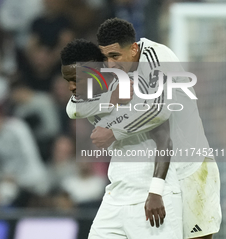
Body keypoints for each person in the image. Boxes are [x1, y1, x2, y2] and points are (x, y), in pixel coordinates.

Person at [74, 18, 221, 239]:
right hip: (159, 171)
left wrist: (113, 132)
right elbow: (73, 106)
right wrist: (109, 97)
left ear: (134, 49)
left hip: (191, 166)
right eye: (105, 57)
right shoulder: (114, 70)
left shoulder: (157, 57)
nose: (110, 64)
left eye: (115, 56)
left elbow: (160, 110)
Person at [61, 39, 182, 239]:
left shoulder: (138, 85)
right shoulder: (86, 98)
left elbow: (164, 138)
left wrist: (156, 192)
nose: (71, 87)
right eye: (68, 81)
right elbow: (71, 110)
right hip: (116, 195)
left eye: (76, 79)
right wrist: (112, 99)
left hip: (152, 195)